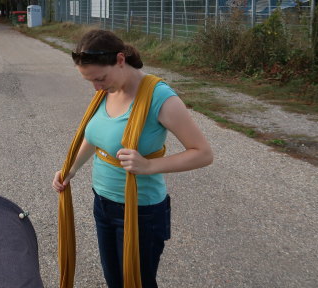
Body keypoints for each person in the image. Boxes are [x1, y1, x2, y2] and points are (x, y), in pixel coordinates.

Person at [53, 29, 213, 288]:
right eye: (90, 81)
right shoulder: (108, 90)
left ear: (119, 59)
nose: (96, 87)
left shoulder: (159, 97)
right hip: (103, 203)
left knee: (137, 282)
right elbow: (94, 137)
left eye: (100, 78)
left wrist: (149, 165)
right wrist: (70, 169)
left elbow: (203, 153)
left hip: (141, 213)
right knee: (114, 280)